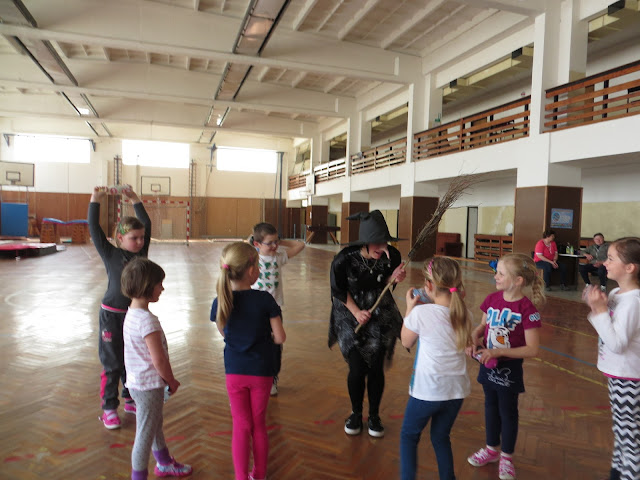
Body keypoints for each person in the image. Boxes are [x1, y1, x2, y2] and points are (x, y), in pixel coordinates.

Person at [210, 242, 285, 480]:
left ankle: (241, 477)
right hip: (262, 371)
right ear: (251, 270)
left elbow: (224, 333)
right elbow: (280, 337)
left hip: (234, 370)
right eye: (259, 266)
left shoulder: (220, 301)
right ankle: (259, 475)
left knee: (241, 425)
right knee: (258, 424)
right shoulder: (265, 300)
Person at [328, 210, 406, 438]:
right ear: (364, 242)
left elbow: (385, 284)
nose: (382, 247)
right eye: (376, 242)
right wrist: (356, 312)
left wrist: (394, 279)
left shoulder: (392, 256)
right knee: (357, 367)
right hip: (348, 311)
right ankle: (355, 413)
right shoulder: (344, 259)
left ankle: (374, 415)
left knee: (375, 367)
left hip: (379, 311)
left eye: (385, 241)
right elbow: (338, 290)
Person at [467, 253, 545, 480]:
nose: (496, 276)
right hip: (488, 364)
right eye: (497, 272)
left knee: (507, 412)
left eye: (501, 274)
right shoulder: (491, 299)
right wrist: (474, 336)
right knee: (490, 406)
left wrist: (498, 352)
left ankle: (507, 457)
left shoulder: (527, 309)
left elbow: (532, 349)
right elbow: (482, 326)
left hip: (509, 370)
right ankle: (491, 449)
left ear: (518, 280)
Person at [400, 257, 473, 480]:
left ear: (429, 285)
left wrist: (410, 309)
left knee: (409, 436)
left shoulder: (421, 314)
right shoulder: (465, 314)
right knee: (441, 437)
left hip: (428, 391)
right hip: (456, 391)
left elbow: (406, 342)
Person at [121, 257, 192, 480]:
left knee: (153, 425)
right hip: (149, 386)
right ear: (147, 286)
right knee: (145, 433)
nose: (162, 288)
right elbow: (159, 360)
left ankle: (164, 462)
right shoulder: (147, 321)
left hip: (137, 384)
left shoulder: (131, 314)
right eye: (159, 284)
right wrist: (171, 380)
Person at [89, 185, 151, 429]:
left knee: (131, 359)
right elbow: (94, 227)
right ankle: (108, 409)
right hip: (112, 316)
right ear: (120, 238)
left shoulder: (142, 253)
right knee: (112, 363)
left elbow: (146, 222)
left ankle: (129, 398)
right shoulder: (110, 253)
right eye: (134, 238)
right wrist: (95, 199)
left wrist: (134, 198)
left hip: (135, 316)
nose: (139, 241)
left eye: (142, 237)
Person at [584, 237, 640, 480]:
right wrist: (597, 304)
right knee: (621, 430)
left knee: (629, 437)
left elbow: (617, 343)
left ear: (630, 267)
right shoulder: (618, 293)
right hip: (619, 375)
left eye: (610, 258)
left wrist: (599, 310)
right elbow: (607, 323)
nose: (604, 262)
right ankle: (617, 472)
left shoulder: (633, 302)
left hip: (629, 378)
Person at [250, 222, 305, 396]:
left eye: (276, 242)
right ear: (257, 244)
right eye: (270, 243)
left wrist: (281, 242)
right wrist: (252, 242)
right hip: (255, 310)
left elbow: (300, 245)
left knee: (275, 344)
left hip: (274, 310)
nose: (274, 246)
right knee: (256, 343)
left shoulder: (278, 257)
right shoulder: (252, 258)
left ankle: (272, 377)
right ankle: (255, 377)